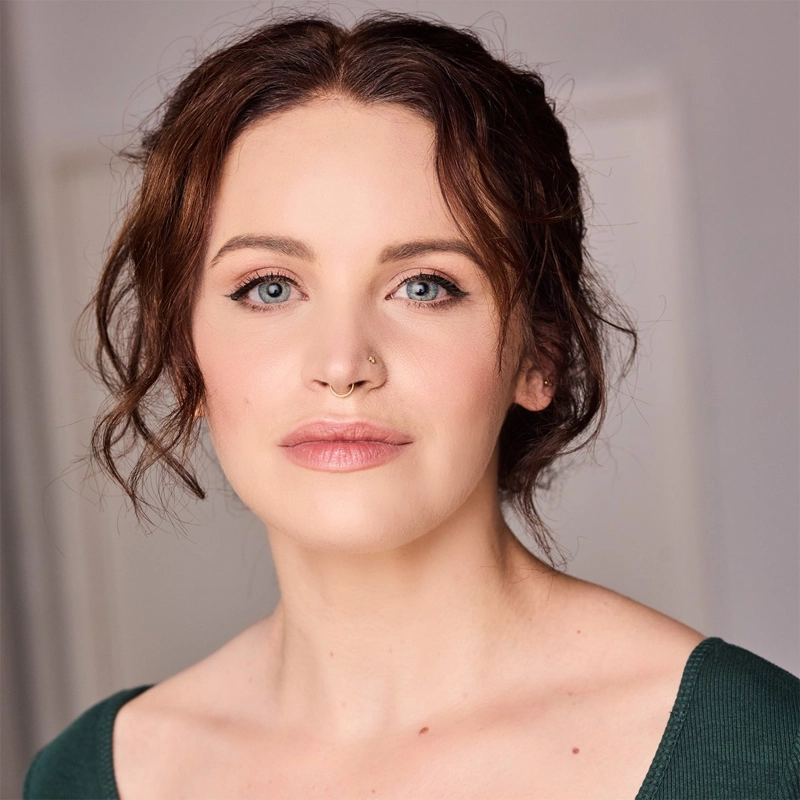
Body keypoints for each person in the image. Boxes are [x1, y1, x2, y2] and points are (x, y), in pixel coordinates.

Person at [23, 9, 799, 800]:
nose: (343, 364)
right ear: (186, 357)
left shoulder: (762, 758)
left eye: (423, 286)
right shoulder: (89, 776)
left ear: (540, 356)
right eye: (270, 288)